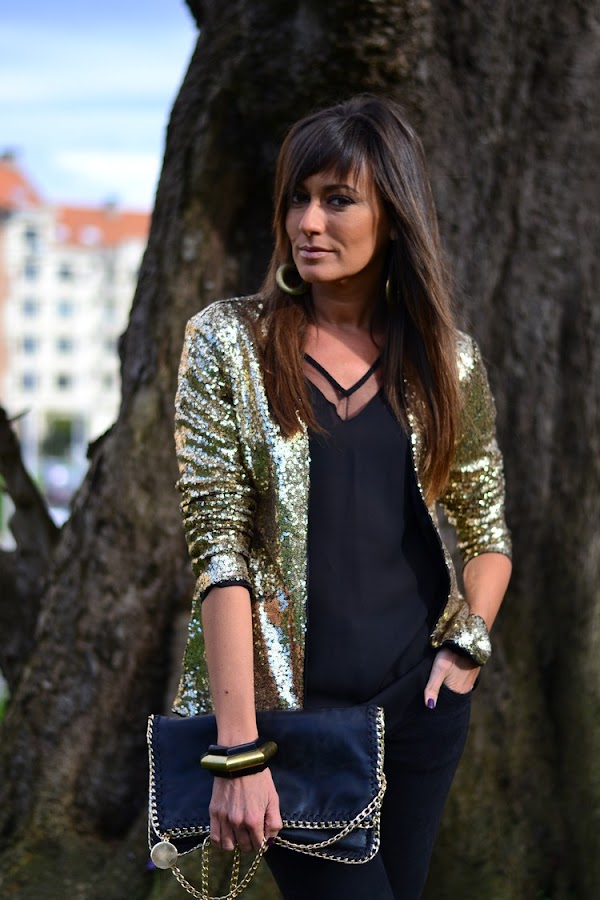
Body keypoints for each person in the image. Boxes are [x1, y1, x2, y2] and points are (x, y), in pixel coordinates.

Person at [173, 95, 512, 900]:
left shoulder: (447, 361)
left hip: (420, 709)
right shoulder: (228, 342)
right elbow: (219, 549)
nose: (308, 222)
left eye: (337, 199)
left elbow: (487, 529)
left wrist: (465, 649)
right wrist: (238, 751)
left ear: (392, 216)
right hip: (290, 723)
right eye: (298, 198)